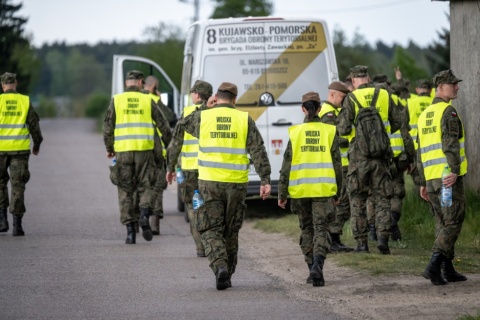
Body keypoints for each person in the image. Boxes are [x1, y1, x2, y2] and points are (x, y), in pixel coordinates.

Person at [179, 82, 271, 290]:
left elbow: (184, 123)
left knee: (211, 228)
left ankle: (219, 266)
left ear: (216, 97)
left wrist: (205, 106)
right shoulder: (243, 118)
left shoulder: (204, 116)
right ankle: (227, 272)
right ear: (235, 99)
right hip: (236, 184)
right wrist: (265, 179)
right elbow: (258, 150)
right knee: (231, 229)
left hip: (209, 182)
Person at [337, 65, 404, 254]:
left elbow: (342, 129)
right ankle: (383, 239)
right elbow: (398, 121)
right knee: (382, 197)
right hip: (381, 157)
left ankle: (362, 244)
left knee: (357, 199)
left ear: (355, 80)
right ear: (367, 78)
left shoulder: (351, 98)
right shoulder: (384, 94)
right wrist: (381, 135)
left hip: (359, 159)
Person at [278, 91, 342, 287]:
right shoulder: (329, 131)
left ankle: (311, 268)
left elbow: (286, 165)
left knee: (307, 229)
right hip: (323, 190)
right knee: (322, 229)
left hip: (300, 191)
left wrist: (282, 193)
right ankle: (318, 266)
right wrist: (338, 191)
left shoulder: (295, 132)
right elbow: (337, 164)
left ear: (303, 109)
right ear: (320, 109)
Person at [103, 70, 172, 244]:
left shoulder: (116, 100)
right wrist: (168, 145)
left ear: (127, 83)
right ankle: (144, 214)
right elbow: (163, 124)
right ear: (141, 83)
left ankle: (130, 233)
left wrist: (109, 148)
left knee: (125, 189)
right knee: (146, 185)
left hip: (123, 152)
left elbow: (108, 126)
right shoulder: (147, 100)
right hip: (144, 151)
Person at [417, 69, 468, 285]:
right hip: (447, 178)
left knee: (442, 221)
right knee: (454, 220)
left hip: (431, 179)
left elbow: (419, 152)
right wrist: (455, 170)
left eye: (456, 83)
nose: (456, 87)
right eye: (452, 84)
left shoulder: (424, 115)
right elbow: (450, 145)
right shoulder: (448, 112)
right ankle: (434, 265)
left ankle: (446, 269)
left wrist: (422, 182)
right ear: (440, 88)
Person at [166, 79, 213, 257]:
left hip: (190, 170)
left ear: (196, 94)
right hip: (210, 170)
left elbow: (175, 144)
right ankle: (212, 245)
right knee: (210, 207)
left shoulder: (187, 114)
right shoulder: (215, 114)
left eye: (193, 92)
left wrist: (170, 168)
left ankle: (200, 247)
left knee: (193, 207)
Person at [0, 72, 43, 236]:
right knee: (18, 186)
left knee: (0, 184)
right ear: (15, 84)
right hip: (20, 151)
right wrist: (37, 143)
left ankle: (2, 220)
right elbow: (34, 125)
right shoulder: (24, 101)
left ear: (3, 86)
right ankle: (17, 226)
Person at [318, 81, 353, 253]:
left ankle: (334, 238)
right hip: (338, 165)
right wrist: (352, 140)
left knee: (342, 203)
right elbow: (330, 139)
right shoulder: (328, 114)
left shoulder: (333, 111)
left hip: (342, 164)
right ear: (332, 95)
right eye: (342, 97)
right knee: (342, 203)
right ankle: (333, 238)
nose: (344, 100)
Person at [142, 75, 172, 235]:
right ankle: (154, 222)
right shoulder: (155, 100)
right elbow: (171, 118)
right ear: (153, 86)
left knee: (141, 184)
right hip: (157, 149)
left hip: (139, 149)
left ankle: (139, 217)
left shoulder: (139, 100)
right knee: (157, 184)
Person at [407, 79, 434, 189]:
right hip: (434, 146)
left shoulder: (410, 103)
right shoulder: (436, 103)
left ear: (417, 90)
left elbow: (402, 127)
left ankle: (421, 198)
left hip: (416, 146)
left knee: (419, 174)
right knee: (433, 173)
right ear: (431, 90)